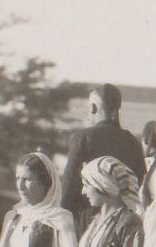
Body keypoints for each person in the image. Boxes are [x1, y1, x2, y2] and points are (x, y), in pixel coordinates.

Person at [59, 84, 147, 223]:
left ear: (94, 108)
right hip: (123, 220)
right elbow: (138, 181)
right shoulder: (133, 142)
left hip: (86, 219)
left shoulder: (83, 138)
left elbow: (68, 187)